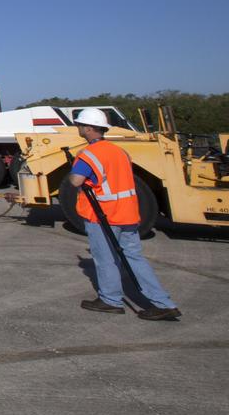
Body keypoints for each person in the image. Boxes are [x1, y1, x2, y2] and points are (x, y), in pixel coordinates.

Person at [70, 108, 180, 320]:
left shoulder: (88, 155)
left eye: (80, 125)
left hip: (103, 215)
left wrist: (74, 170)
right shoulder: (119, 152)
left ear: (89, 128)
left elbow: (76, 181)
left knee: (106, 259)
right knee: (134, 258)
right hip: (128, 214)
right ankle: (162, 302)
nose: (79, 128)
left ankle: (110, 300)